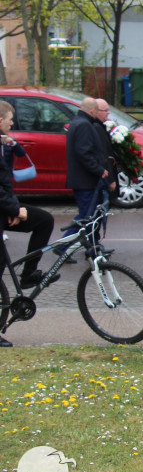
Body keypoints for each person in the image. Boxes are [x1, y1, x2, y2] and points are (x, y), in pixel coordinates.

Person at [0, 101, 57, 319]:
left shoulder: (4, 144)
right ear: (0, 121)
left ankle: (28, 274)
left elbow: (5, 183)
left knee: (44, 220)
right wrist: (14, 209)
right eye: (10, 119)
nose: (13, 123)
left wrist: (12, 210)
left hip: (4, 209)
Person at [60, 97, 112, 254]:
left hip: (83, 180)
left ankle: (92, 248)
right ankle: (63, 247)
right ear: (92, 110)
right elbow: (84, 153)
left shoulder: (78, 122)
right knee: (86, 217)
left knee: (88, 216)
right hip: (85, 181)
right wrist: (99, 170)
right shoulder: (84, 125)